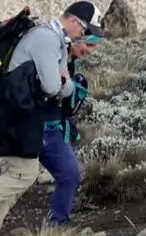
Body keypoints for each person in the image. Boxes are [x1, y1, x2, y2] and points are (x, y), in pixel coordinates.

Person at [0, 2, 108, 236]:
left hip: (22, 113)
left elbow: (64, 87)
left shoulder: (54, 39)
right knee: (23, 174)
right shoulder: (47, 39)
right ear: (74, 22)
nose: (84, 37)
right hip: (18, 115)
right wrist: (61, 83)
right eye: (85, 31)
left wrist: (62, 83)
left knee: (13, 183)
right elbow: (53, 87)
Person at [39, 33, 98, 228]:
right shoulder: (52, 57)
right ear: (76, 37)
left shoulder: (68, 62)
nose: (89, 51)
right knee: (15, 180)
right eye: (88, 45)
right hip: (40, 128)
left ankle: (57, 226)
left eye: (93, 47)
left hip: (53, 128)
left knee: (69, 175)